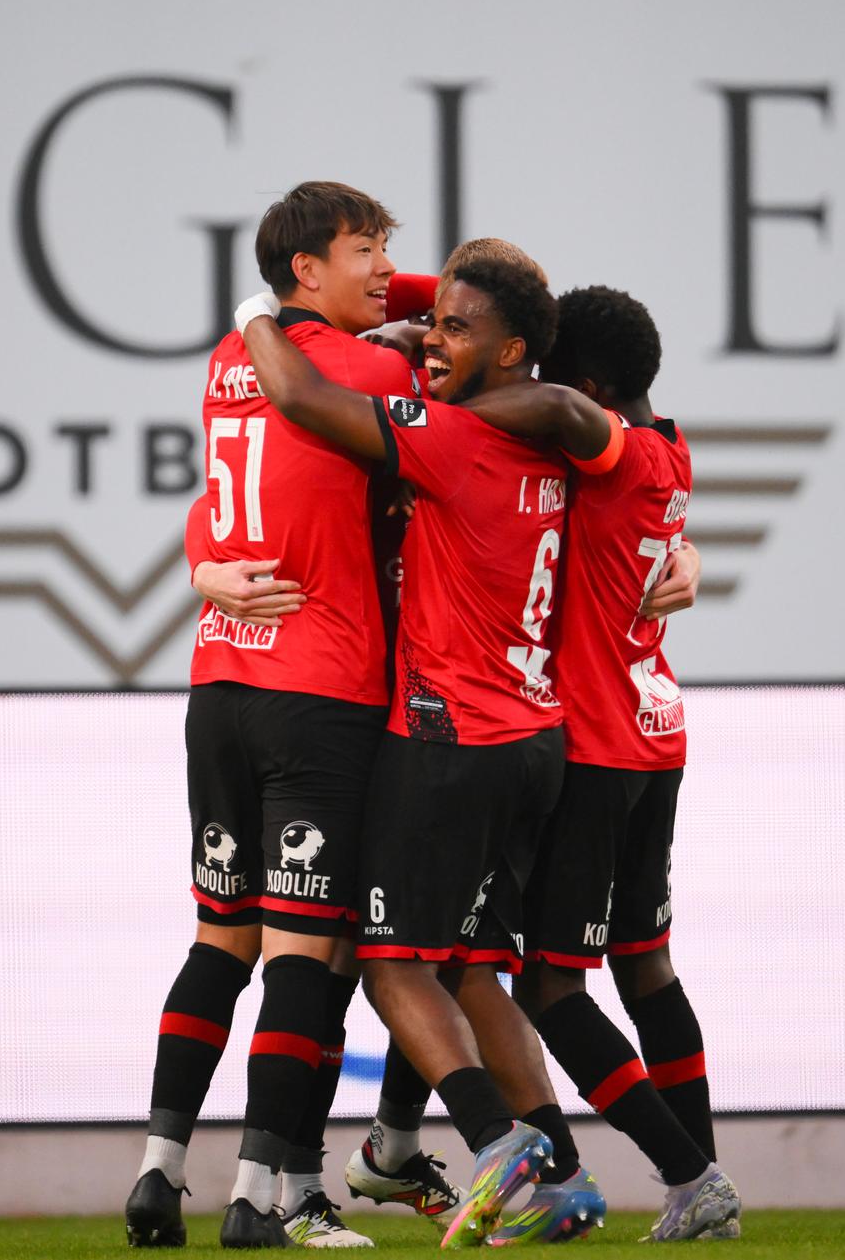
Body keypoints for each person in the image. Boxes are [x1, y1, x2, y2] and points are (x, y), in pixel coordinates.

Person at [236, 252, 622, 1246]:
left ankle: (497, 1141)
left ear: (514, 352)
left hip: (448, 738)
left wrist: (259, 315)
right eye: (436, 321)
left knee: (390, 965)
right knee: (472, 971)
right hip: (535, 742)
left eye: (459, 329)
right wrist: (426, 324)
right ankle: (560, 1172)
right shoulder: (558, 444)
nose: (435, 340)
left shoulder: (449, 440)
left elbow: (300, 397)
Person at [127, 181, 420, 1251]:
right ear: (306, 268)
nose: (387, 271)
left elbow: (215, 500)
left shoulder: (226, 357)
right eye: (365, 250)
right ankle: (262, 1197)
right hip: (321, 692)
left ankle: (158, 1177)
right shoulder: (375, 370)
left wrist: (207, 567)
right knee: (308, 955)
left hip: (220, 687)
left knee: (220, 938)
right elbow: (462, 334)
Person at [514, 285, 741, 1241]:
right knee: (645, 962)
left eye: (549, 372)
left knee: (548, 986)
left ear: (594, 388)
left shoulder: (606, 445)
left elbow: (559, 415)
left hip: (599, 745)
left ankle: (687, 1173)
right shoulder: (672, 446)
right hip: (656, 732)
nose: (534, 388)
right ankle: (705, 1190)